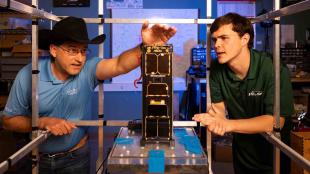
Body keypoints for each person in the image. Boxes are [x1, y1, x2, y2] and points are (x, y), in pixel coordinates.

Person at [2, 16, 176, 174]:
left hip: (75, 159)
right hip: (34, 159)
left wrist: (145, 47)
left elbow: (119, 65)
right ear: (54, 50)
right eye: (72, 50)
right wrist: (42, 122)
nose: (79, 58)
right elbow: (8, 121)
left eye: (83, 51)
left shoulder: (87, 69)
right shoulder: (29, 75)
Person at [192, 13, 293, 174]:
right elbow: (219, 113)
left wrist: (228, 125)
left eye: (224, 38)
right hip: (242, 156)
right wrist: (214, 119)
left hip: (275, 157)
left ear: (244, 39)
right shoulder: (217, 69)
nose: (217, 44)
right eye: (215, 39)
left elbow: (275, 122)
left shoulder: (271, 68)